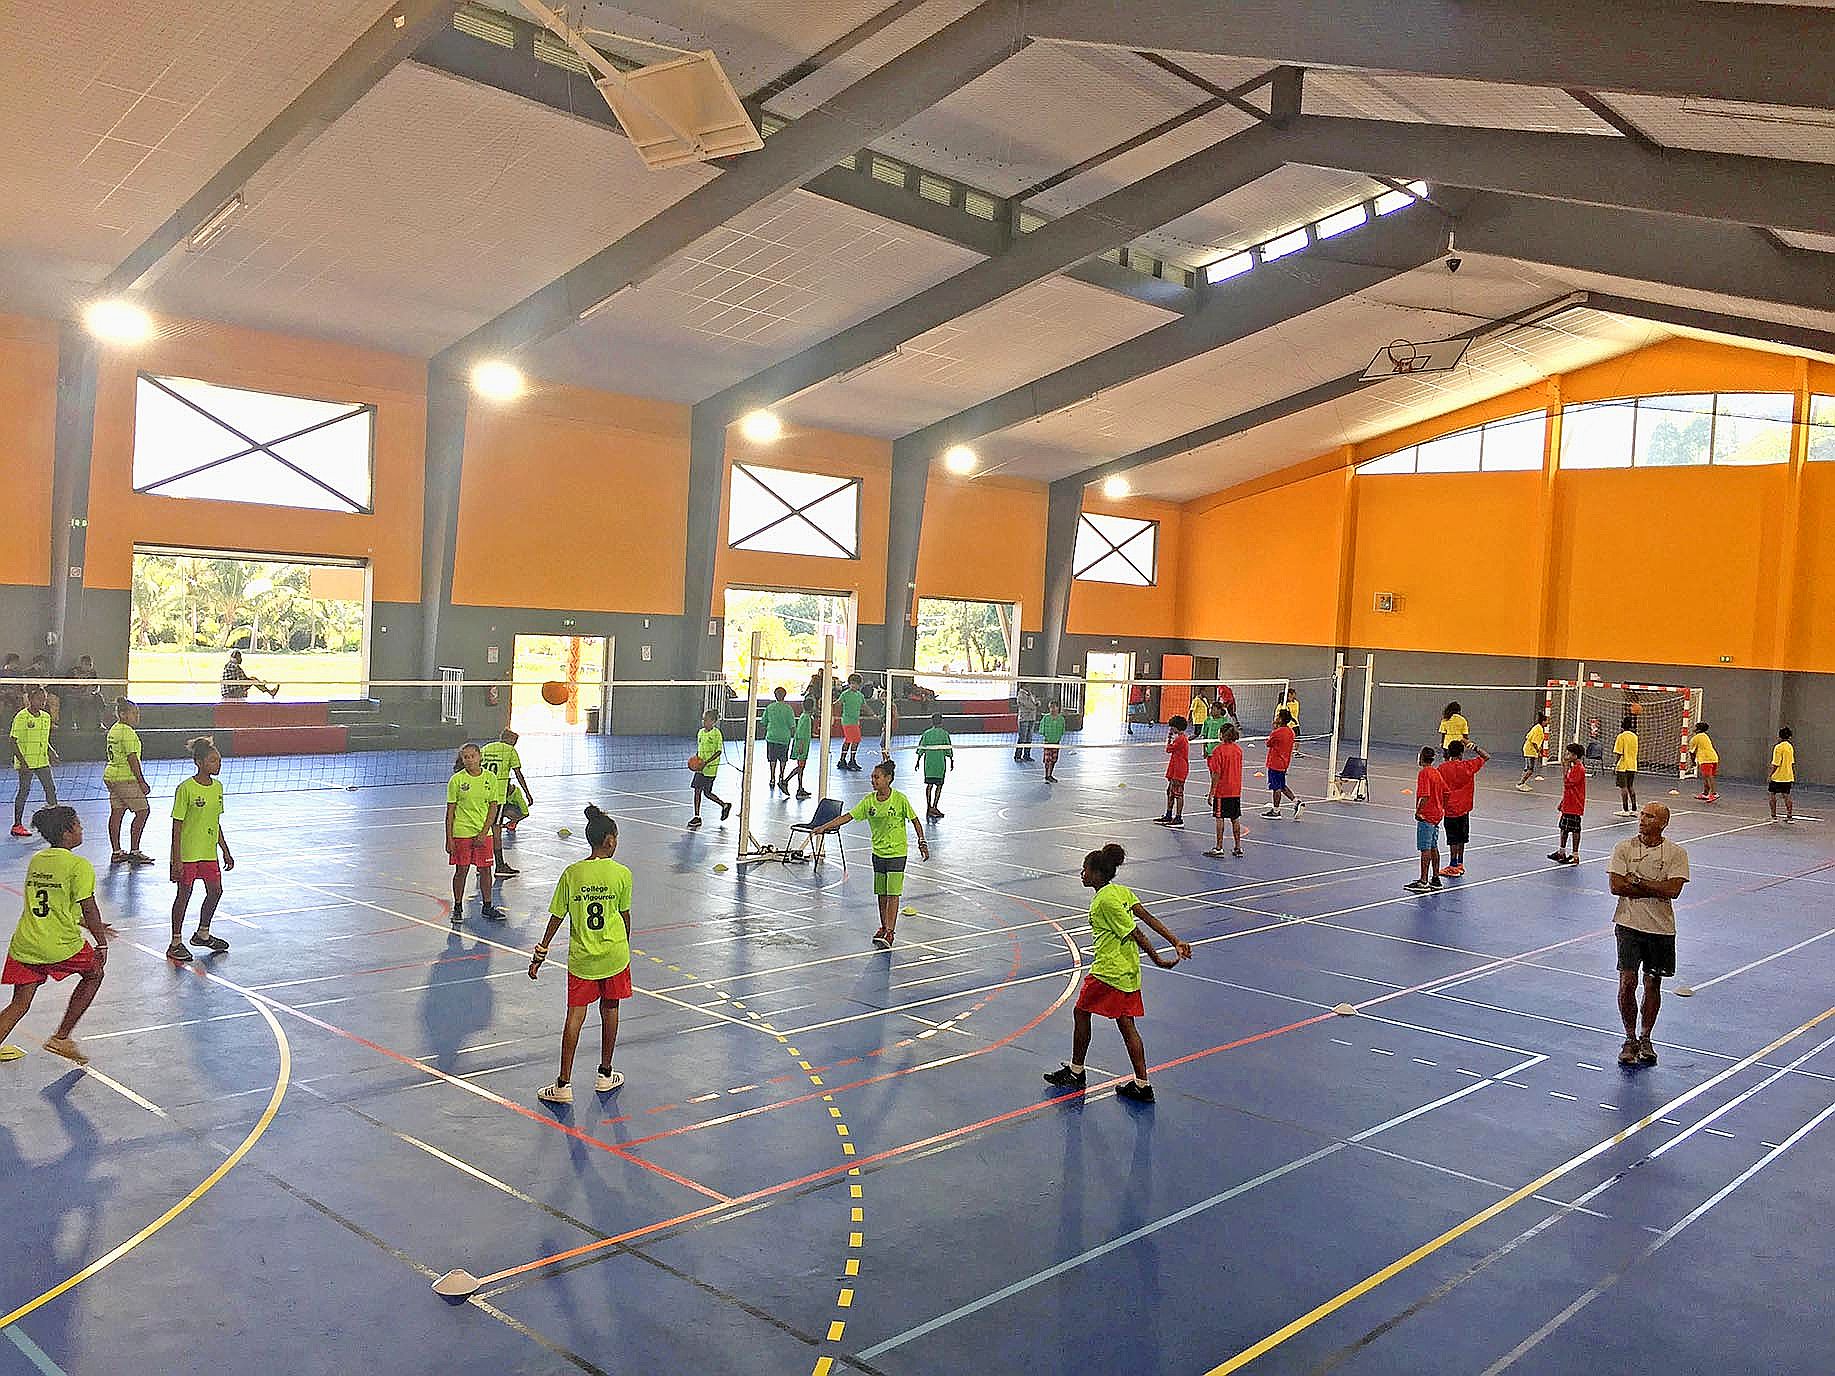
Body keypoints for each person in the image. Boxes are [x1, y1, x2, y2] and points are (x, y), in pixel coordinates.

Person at [1042, 844, 1190, 1103]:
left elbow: (1136, 932)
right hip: (1128, 970)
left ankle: (1076, 1072)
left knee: (1081, 1012)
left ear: (1098, 873)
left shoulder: (1105, 901)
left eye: (1085, 870)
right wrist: (1175, 940)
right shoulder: (1121, 892)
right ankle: (1142, 1085)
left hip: (1109, 971)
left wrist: (1158, 959)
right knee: (1125, 1024)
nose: (1082, 874)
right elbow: (1148, 917)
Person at [531, 805, 631, 1104]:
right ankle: (605, 1074)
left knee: (575, 1016)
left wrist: (541, 951)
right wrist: (623, 948)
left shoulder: (572, 874)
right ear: (610, 841)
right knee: (610, 1009)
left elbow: (556, 917)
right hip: (614, 956)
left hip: (582, 959)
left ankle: (563, 1084)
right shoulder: (622, 874)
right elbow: (624, 916)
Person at [0, 806, 116, 1065]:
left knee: (19, 1003)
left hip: (25, 943)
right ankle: (61, 1037)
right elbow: (89, 906)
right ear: (66, 832)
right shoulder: (79, 865)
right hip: (59, 945)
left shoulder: (37, 860)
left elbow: (55, 903)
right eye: (78, 824)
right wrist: (101, 942)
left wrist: (89, 924)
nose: (82, 828)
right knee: (94, 973)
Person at [807, 759, 927, 947]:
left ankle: (890, 932)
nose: (873, 780)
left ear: (888, 779)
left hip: (896, 853)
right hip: (878, 854)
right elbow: (847, 817)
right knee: (881, 894)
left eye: (877, 777)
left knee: (893, 894)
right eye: (872, 777)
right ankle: (883, 926)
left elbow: (915, 820)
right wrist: (824, 826)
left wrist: (922, 841)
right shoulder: (869, 801)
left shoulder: (900, 799)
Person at [1607, 802, 1689, 1067]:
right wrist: (1656, 887)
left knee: (1653, 984)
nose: (1642, 819)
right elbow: (1616, 886)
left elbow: (1673, 890)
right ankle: (1629, 1038)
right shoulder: (1623, 848)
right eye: (1642, 814)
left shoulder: (1676, 853)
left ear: (1663, 823)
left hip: (1660, 929)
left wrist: (1637, 881)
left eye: (1649, 816)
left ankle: (1646, 1038)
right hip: (1628, 925)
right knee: (1627, 982)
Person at [169, 736, 235, 960]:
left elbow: (215, 822)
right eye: (213, 761)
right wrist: (176, 859)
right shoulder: (185, 788)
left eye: (219, 760)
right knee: (184, 895)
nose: (218, 764)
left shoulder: (218, 788)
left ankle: (202, 934)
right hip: (188, 853)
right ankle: (175, 942)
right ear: (199, 762)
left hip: (208, 852)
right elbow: (177, 826)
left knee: (215, 891)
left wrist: (225, 850)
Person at [445, 742, 505, 925]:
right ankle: (457, 907)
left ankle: (487, 906)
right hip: (462, 832)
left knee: (486, 870)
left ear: (480, 757)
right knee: (461, 870)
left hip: (483, 833)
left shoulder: (490, 778)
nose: (469, 760)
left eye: (472, 756)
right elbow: (450, 812)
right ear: (462, 760)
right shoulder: (456, 780)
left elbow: (493, 807)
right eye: (466, 757)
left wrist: (484, 832)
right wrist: (449, 839)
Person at [104, 697, 154, 865]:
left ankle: (116, 852)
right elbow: (132, 759)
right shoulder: (127, 732)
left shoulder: (114, 729)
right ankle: (134, 851)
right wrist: (142, 782)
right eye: (134, 713)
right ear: (123, 714)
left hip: (111, 776)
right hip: (125, 779)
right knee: (143, 811)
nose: (137, 716)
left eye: (137, 713)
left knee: (117, 813)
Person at [480, 728, 535, 877]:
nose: (515, 745)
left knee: (482, 830)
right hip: (497, 798)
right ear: (510, 740)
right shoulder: (510, 750)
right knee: (496, 831)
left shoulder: (486, 748)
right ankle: (500, 866)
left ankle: (481, 865)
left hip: (481, 795)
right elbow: (518, 773)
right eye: (514, 742)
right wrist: (527, 793)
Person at [10, 685, 58, 838]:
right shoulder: (21, 717)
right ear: (30, 699)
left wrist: (51, 751)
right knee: (24, 791)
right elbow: (13, 741)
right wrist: (23, 763)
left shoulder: (46, 717)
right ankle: (17, 825)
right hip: (26, 762)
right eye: (38, 699)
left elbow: (43, 739)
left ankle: (54, 821)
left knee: (50, 789)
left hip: (42, 761)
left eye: (44, 700)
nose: (42, 702)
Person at [1437, 739, 1489, 878]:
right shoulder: (1468, 766)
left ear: (1449, 752)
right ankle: (1460, 863)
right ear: (1461, 753)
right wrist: (1472, 746)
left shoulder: (1442, 768)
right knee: (1462, 837)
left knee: (1453, 839)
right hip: (1465, 808)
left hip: (1450, 809)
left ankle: (1453, 866)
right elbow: (1486, 756)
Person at [1405, 746, 1446, 893]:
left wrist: (1418, 811)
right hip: (1437, 815)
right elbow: (1446, 792)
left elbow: (1425, 795)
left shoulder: (1424, 773)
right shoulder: (1436, 773)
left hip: (1427, 815)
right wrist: (1440, 807)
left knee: (1425, 848)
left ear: (1421, 757)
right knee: (1434, 846)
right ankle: (1435, 878)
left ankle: (1423, 881)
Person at [1205, 722, 1245, 858]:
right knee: (1235, 818)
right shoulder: (1238, 750)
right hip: (1235, 790)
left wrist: (1212, 792)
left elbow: (1216, 773)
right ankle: (1238, 847)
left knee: (1219, 817)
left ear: (1222, 734)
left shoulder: (1218, 751)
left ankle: (1219, 847)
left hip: (1223, 790)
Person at [688, 709, 732, 828]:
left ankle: (724, 805)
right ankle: (697, 816)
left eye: (706, 720)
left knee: (706, 793)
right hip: (700, 768)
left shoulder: (716, 733)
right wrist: (695, 760)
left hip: (710, 768)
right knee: (698, 790)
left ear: (713, 721)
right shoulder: (700, 732)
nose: (704, 722)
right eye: (703, 719)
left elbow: (718, 751)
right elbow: (700, 749)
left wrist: (706, 762)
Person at [1549, 742, 1587, 866]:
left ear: (1575, 755)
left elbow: (1568, 783)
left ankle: (1575, 855)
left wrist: (1564, 768)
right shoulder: (1574, 768)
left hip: (1574, 805)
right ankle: (1561, 852)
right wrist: (1563, 801)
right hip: (1568, 803)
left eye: (1569, 753)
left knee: (1575, 829)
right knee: (1564, 828)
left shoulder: (1578, 769)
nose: (1567, 755)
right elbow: (1568, 789)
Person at [1263, 708, 1301, 819]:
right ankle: (1296, 802)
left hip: (1275, 763)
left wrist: (1274, 729)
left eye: (1277, 716)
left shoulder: (1277, 732)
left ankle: (1276, 811)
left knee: (1276, 788)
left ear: (1280, 719)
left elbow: (1268, 743)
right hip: (1284, 763)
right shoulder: (1291, 732)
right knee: (1282, 785)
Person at [916, 712, 954, 819]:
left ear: (932, 721)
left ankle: (929, 807)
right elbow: (948, 749)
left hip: (929, 764)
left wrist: (918, 761)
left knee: (929, 785)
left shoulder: (926, 733)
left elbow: (921, 748)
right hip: (940, 764)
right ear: (941, 722)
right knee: (939, 785)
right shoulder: (944, 734)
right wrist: (951, 760)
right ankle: (934, 807)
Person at [1157, 715, 1190, 827]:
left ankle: (1178, 818)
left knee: (1178, 794)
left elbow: (1168, 749)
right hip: (1174, 768)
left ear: (1177, 727)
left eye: (1172, 727)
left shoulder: (1181, 739)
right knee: (1170, 792)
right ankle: (1168, 814)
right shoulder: (1180, 738)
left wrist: (1169, 737)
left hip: (1179, 770)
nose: (1170, 728)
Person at [762, 686, 795, 794]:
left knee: (772, 759)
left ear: (775, 695)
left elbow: (764, 721)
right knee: (783, 759)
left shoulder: (770, 707)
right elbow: (792, 725)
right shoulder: (788, 709)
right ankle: (781, 776)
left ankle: (772, 778)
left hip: (772, 737)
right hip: (784, 738)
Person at [62, 655, 105, 733]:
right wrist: (79, 691)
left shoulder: (92, 673)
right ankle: (73, 723)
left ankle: (99, 723)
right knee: (70, 700)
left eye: (90, 665)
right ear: (81, 664)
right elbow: (66, 687)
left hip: (88, 695)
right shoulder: (72, 672)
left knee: (99, 698)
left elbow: (97, 686)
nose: (88, 667)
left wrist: (93, 692)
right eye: (86, 664)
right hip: (74, 694)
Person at [837, 674, 866, 771]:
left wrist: (874, 714)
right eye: (852, 683)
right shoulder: (845, 694)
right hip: (847, 721)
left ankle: (847, 760)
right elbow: (838, 703)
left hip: (855, 722)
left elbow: (864, 706)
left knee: (853, 741)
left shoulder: (860, 696)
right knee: (851, 740)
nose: (854, 685)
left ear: (859, 685)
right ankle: (846, 761)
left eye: (856, 684)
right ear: (849, 684)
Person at [1612, 715, 1639, 817]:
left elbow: (1619, 752)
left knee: (1623, 787)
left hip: (1623, 765)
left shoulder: (1621, 736)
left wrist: (1615, 764)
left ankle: (1625, 809)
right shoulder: (1635, 737)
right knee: (1630, 786)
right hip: (1633, 765)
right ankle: (1634, 809)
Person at [787, 697, 814, 800]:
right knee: (800, 767)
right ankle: (786, 781)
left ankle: (800, 787)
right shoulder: (806, 718)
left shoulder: (804, 716)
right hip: (802, 746)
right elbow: (802, 733)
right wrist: (801, 746)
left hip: (803, 744)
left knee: (801, 767)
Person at [1770, 727, 1796, 823]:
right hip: (1788, 776)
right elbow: (1792, 762)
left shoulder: (1778, 747)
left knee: (1772, 794)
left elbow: (1776, 763)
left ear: (1780, 736)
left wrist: (1770, 774)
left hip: (1777, 776)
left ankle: (1773, 816)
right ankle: (1789, 817)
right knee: (1787, 795)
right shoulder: (1790, 747)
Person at [1690, 722, 1720, 803]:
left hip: (1706, 759)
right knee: (1707, 776)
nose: (1693, 728)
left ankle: (1714, 793)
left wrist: (1693, 762)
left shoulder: (1696, 738)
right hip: (1714, 757)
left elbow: (1692, 752)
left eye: (1695, 727)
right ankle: (1705, 794)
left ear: (1698, 729)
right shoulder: (1705, 736)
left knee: (1708, 776)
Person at [1518, 712, 1547, 791]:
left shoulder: (1536, 727)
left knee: (1527, 768)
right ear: (1543, 721)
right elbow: (1534, 742)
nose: (1547, 723)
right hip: (1530, 751)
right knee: (1530, 769)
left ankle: (1522, 782)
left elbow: (1528, 736)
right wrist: (1538, 751)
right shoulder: (1538, 729)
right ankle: (1521, 783)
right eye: (1546, 721)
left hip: (1528, 749)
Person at [1040, 700, 1066, 783]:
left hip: (1056, 743)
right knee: (1047, 760)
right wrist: (1046, 737)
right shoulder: (1046, 718)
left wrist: (1058, 738)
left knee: (1054, 760)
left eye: (1054, 707)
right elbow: (1041, 730)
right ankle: (1046, 776)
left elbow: (1062, 731)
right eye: (1050, 707)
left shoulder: (1061, 719)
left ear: (1058, 708)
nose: (1052, 709)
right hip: (1047, 743)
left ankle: (1050, 775)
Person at [1014, 684, 1040, 763]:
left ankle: (1027, 755)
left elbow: (1036, 702)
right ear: (1023, 686)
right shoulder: (1021, 695)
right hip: (1024, 719)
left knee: (1029, 738)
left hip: (1032, 718)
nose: (1029, 687)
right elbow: (1029, 705)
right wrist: (1035, 705)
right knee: (1022, 738)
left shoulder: (1031, 694)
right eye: (1027, 686)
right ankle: (1017, 756)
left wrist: (1037, 703)